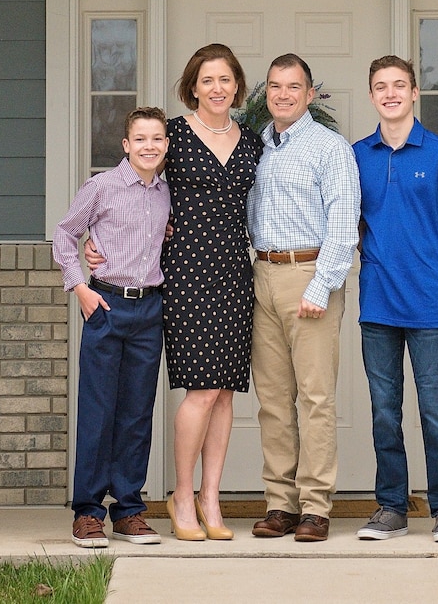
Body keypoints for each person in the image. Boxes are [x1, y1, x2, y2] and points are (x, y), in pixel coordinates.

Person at [351, 55, 438, 546]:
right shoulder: (357, 156)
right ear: (372, 96)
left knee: (436, 409)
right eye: (380, 86)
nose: (390, 93)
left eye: (399, 85)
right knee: (384, 410)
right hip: (378, 306)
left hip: (429, 309)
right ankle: (391, 507)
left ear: (414, 94)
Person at [246, 52, 360, 543]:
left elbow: (344, 222)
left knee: (315, 398)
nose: (283, 94)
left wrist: (321, 284)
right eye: (275, 86)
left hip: (309, 275)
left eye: (294, 86)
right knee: (272, 400)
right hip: (262, 275)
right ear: (266, 93)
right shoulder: (258, 147)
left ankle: (315, 506)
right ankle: (280, 504)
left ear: (310, 94)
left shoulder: (329, 147)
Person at [51, 107, 173, 550]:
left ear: (165, 145)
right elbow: (65, 234)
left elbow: (166, 236)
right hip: (105, 305)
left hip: (149, 311)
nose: (149, 146)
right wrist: (80, 286)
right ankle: (87, 512)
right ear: (126, 144)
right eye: (140, 139)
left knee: (137, 413)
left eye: (157, 139)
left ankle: (129, 510)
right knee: (99, 411)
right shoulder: (101, 187)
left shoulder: (166, 193)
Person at [156, 45, 263, 541]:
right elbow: (129, 188)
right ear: (192, 87)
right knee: (201, 389)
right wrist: (104, 248)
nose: (217, 88)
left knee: (224, 394)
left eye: (225, 79)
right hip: (187, 273)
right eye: (207, 80)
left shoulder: (253, 143)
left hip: (235, 275)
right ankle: (181, 494)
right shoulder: (172, 136)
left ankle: (211, 499)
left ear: (237, 86)